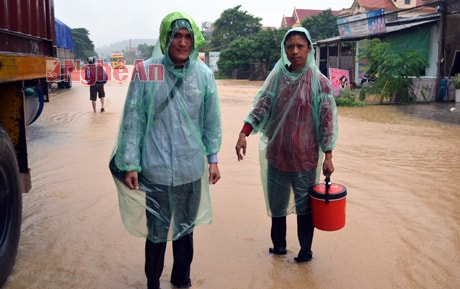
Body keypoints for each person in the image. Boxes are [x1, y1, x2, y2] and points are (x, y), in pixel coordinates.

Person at [109, 12, 222, 289]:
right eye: (176, 36)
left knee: (185, 230)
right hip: (155, 169)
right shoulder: (147, 71)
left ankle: (181, 280)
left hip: (190, 169)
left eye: (187, 37)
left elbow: (211, 121)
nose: (182, 42)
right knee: (157, 232)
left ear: (194, 40)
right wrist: (130, 164)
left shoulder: (204, 75)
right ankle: (152, 283)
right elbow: (133, 120)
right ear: (165, 38)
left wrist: (213, 159)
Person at [235, 27, 338, 263]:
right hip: (277, 156)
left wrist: (329, 155)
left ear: (310, 49)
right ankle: (278, 248)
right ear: (284, 49)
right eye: (290, 46)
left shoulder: (319, 83)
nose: (294, 51)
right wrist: (244, 132)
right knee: (277, 208)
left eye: (300, 46)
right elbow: (261, 106)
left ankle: (305, 251)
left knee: (305, 210)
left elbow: (327, 122)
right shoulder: (277, 77)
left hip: (305, 159)